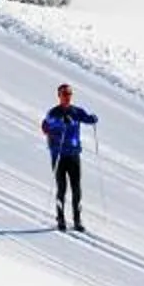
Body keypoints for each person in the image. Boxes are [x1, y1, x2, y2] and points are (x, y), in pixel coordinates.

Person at [40, 84, 97, 233]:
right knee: (62, 187)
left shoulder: (76, 111)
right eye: (64, 94)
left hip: (73, 154)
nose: (67, 97)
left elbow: (85, 118)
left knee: (76, 188)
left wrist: (92, 119)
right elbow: (45, 127)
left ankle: (77, 220)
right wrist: (60, 123)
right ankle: (60, 218)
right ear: (59, 96)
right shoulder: (54, 113)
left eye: (69, 94)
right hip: (59, 155)